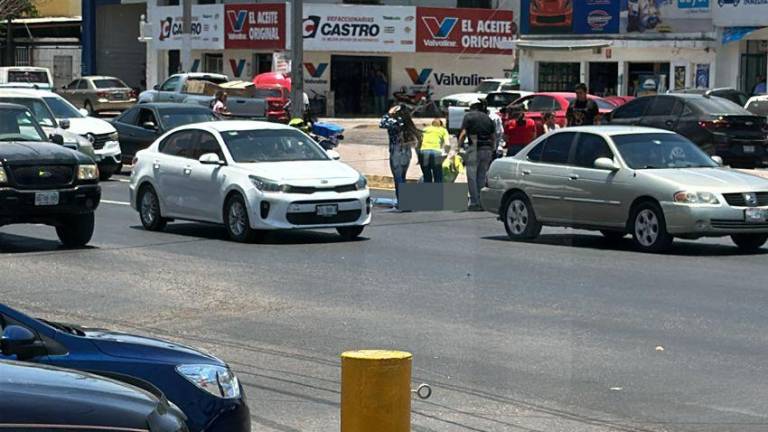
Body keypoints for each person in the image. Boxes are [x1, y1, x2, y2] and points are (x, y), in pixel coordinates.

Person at [380, 105, 421, 207]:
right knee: (402, 177)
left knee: (398, 178)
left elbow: (382, 123)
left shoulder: (394, 122)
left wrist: (389, 112)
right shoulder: (406, 122)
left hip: (396, 151)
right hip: (406, 151)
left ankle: (403, 201)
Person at [458, 101, 495, 211]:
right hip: (487, 148)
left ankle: (474, 202)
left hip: (474, 148)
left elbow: (463, 133)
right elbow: (493, 136)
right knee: (482, 176)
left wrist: (457, 148)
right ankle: (482, 201)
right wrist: (492, 149)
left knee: (472, 176)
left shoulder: (468, 117)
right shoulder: (488, 119)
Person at [419, 118, 450, 183]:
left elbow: (419, 142)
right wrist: (446, 154)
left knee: (426, 176)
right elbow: (447, 144)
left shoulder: (425, 129)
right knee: (438, 176)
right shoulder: (443, 130)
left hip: (423, 152)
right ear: (440, 125)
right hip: (436, 153)